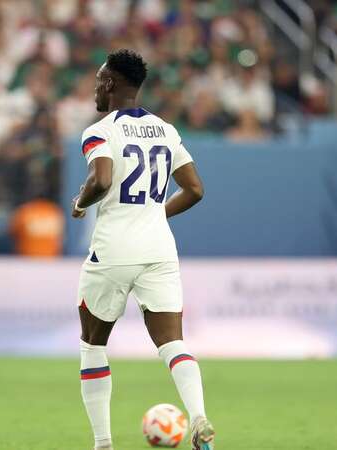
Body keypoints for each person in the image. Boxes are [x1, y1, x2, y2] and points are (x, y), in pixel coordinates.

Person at [70, 49, 214, 450]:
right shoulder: (166, 130)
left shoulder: (99, 131)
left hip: (114, 250)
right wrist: (155, 215)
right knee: (172, 344)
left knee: (92, 345)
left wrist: (80, 203)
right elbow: (196, 189)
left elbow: (101, 179)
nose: (96, 88)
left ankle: (103, 443)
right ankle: (199, 417)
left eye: (99, 80)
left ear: (111, 84)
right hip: (159, 251)